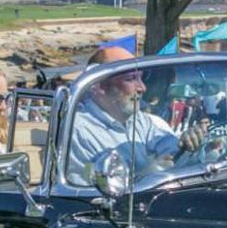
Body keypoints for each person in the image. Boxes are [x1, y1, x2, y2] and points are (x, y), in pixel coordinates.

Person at [66, 63, 210, 185]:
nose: (142, 88)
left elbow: (171, 151)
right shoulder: (78, 132)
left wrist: (188, 143)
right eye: (130, 79)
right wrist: (145, 177)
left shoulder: (141, 121)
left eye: (141, 78)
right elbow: (88, 189)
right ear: (99, 87)